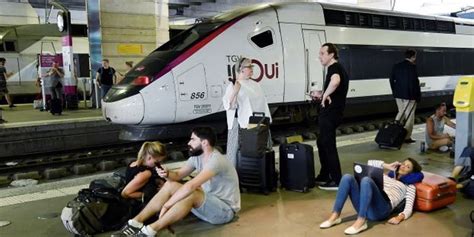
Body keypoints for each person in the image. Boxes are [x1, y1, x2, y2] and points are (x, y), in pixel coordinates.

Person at [112, 127, 240, 237]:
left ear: (205, 143)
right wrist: (167, 174)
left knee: (191, 192)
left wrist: (167, 205)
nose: (189, 142)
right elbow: (178, 175)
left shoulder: (216, 161)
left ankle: (149, 231)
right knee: (170, 185)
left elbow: (191, 186)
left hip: (224, 211)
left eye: (193, 139)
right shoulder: (196, 158)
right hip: (207, 205)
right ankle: (135, 223)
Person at [319, 158, 423, 235]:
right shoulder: (386, 176)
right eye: (403, 163)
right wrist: (387, 166)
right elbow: (370, 163)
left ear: (411, 173)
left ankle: (361, 221)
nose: (404, 166)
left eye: (408, 166)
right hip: (365, 206)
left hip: (381, 210)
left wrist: (399, 218)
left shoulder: (409, 186)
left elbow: (409, 207)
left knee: (366, 180)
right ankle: (335, 216)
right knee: (347, 177)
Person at [310, 43, 349, 190]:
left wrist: (325, 95)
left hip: (330, 114)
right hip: (333, 112)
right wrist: (321, 94)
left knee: (328, 145)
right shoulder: (337, 68)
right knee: (321, 142)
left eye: (322, 53)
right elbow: (335, 86)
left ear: (331, 54)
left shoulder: (334, 68)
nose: (319, 56)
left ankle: (336, 180)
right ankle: (325, 174)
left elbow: (336, 81)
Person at [222, 57, 272, 166]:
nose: (252, 69)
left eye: (251, 66)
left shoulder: (256, 85)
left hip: (259, 121)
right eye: (249, 67)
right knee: (236, 150)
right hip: (242, 124)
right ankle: (234, 174)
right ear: (241, 69)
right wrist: (235, 91)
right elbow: (229, 105)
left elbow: (263, 104)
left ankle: (263, 170)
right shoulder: (234, 85)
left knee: (261, 147)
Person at [121, 141, 167, 215]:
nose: (159, 164)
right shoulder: (145, 173)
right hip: (140, 206)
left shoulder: (134, 163)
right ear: (149, 158)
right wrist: (149, 195)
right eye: (157, 161)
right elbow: (125, 193)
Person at [389, 49, 421, 144]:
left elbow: (391, 79)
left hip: (398, 95)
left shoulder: (397, 66)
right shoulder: (412, 67)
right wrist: (417, 96)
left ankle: (394, 132)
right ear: (413, 57)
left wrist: (394, 91)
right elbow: (414, 83)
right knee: (409, 116)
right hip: (409, 96)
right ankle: (407, 137)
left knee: (401, 112)